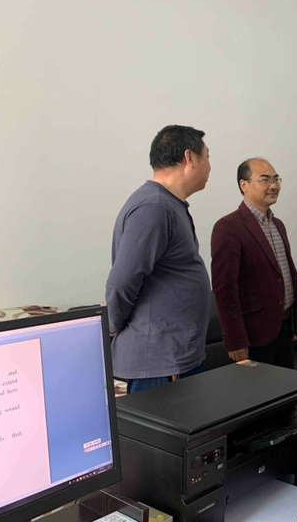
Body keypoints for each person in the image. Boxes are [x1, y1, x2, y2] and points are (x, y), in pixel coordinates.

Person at [105, 125, 212, 394]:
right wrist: (111, 326)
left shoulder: (168, 204)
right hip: (159, 362)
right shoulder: (155, 207)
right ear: (189, 158)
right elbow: (123, 280)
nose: (210, 166)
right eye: (207, 157)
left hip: (174, 357)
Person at [211, 158, 297, 369]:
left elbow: (284, 275)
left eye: (276, 179)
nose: (273, 186)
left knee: (288, 387)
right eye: (265, 180)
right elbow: (225, 290)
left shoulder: (278, 225)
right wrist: (235, 340)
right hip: (254, 335)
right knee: (259, 389)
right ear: (244, 185)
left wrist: (294, 323)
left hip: (284, 328)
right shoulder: (228, 227)